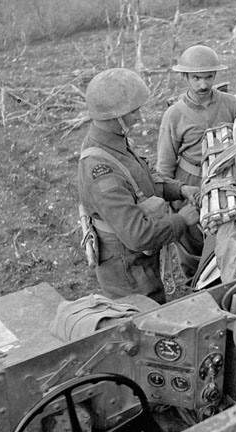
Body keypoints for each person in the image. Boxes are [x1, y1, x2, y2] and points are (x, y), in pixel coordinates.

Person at [78, 68, 200, 304]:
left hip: (138, 263)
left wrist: (182, 189)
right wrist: (182, 221)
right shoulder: (100, 169)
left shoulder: (114, 143)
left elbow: (143, 182)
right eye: (134, 112)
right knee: (144, 322)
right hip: (127, 272)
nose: (140, 118)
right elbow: (137, 235)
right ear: (115, 116)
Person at [156, 45, 236, 280]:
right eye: (196, 78)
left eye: (208, 77)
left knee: (231, 235)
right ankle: (194, 282)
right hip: (191, 183)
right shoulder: (174, 115)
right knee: (193, 240)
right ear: (185, 77)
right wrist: (173, 199)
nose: (203, 85)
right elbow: (163, 167)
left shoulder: (231, 104)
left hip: (227, 179)